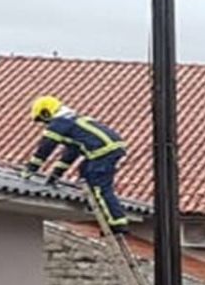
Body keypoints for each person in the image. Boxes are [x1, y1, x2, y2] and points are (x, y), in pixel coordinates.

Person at [22, 95, 129, 233]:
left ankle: (117, 222)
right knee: (85, 173)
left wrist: (31, 168)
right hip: (105, 150)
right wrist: (56, 174)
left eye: (42, 120)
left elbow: (45, 147)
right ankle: (97, 205)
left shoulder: (59, 123)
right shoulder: (72, 122)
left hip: (102, 152)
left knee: (99, 186)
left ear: (46, 113)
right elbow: (72, 152)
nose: (44, 124)